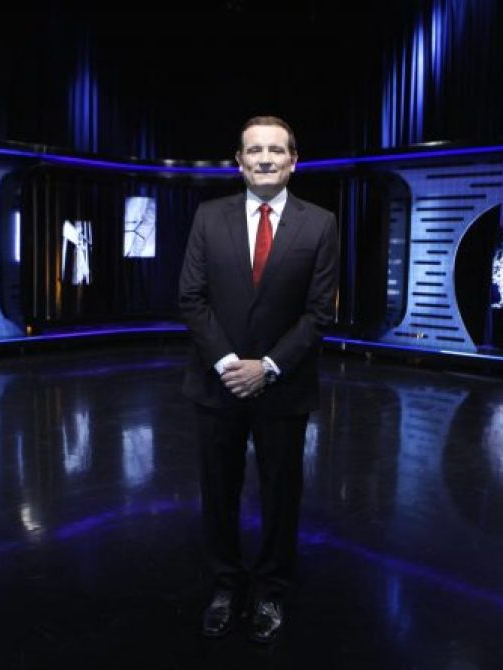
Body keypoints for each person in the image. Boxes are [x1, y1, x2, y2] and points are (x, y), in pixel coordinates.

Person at [178, 115, 339, 644]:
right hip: (218, 384)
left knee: (281, 496)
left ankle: (270, 589)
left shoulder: (321, 224)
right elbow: (191, 298)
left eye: (275, 149)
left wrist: (267, 367)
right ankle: (225, 586)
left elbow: (319, 312)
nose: (265, 158)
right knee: (218, 494)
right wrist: (229, 363)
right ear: (239, 162)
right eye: (254, 150)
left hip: (283, 387)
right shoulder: (208, 217)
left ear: (294, 160)